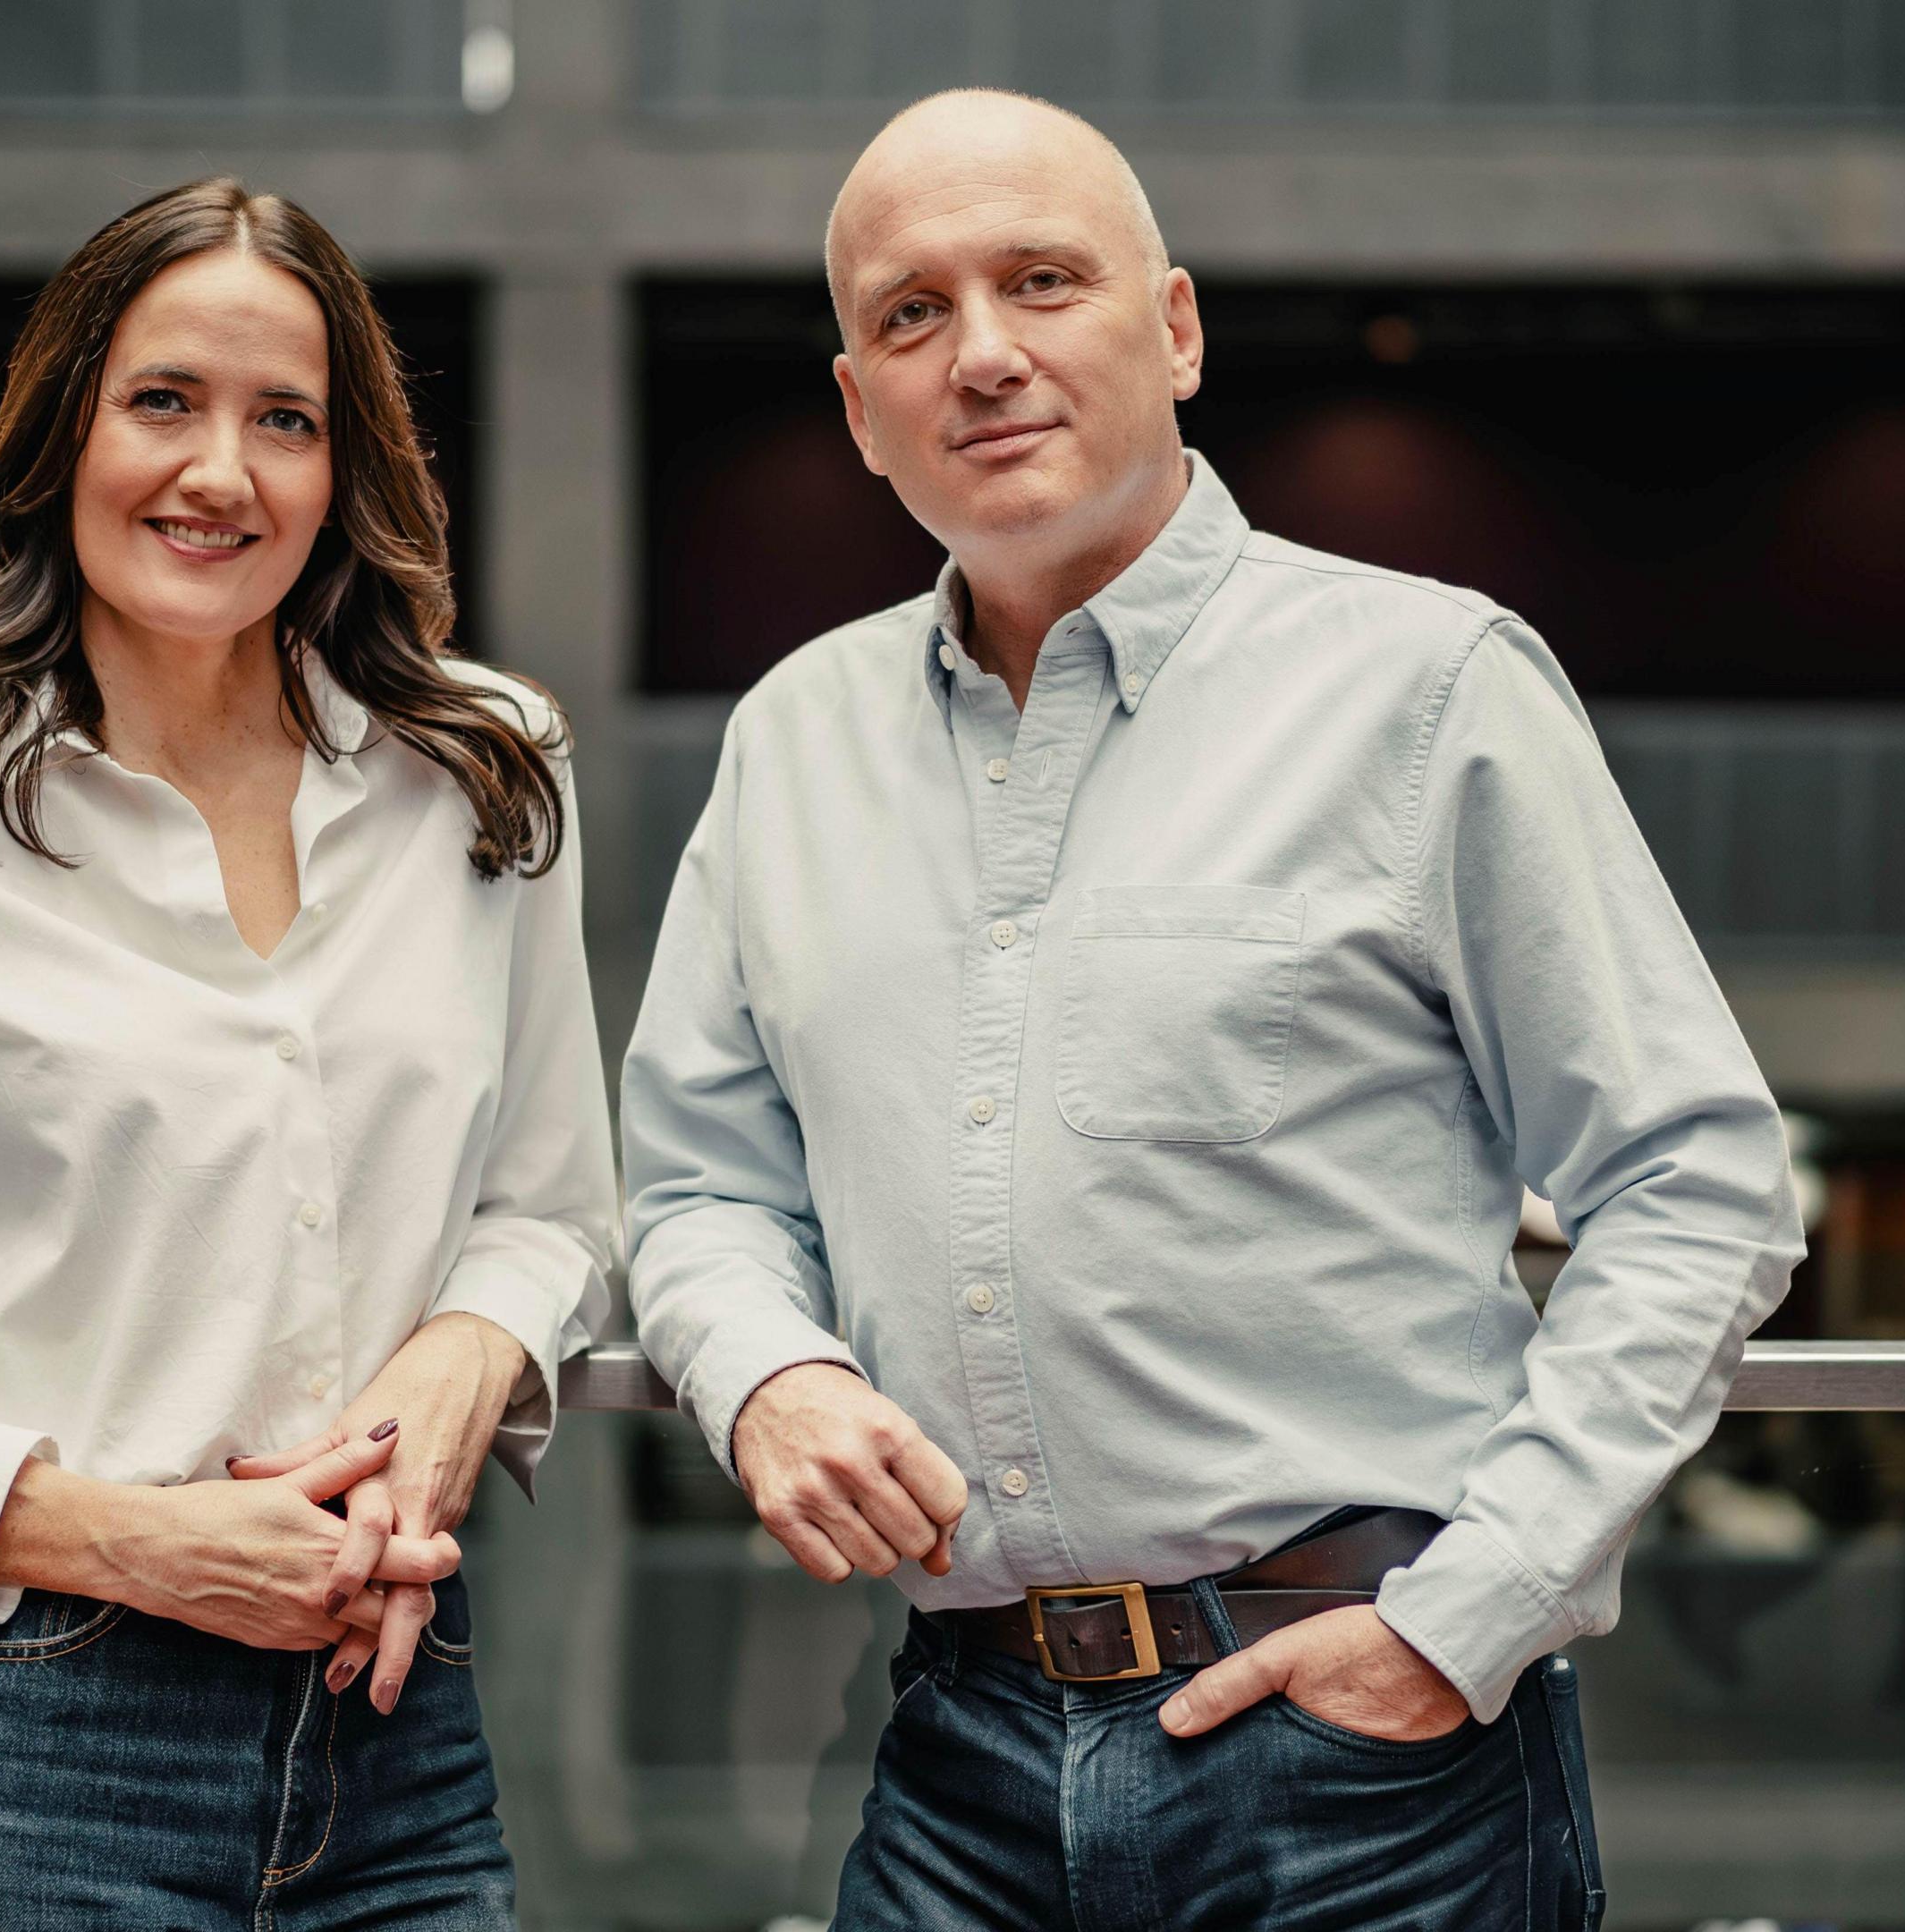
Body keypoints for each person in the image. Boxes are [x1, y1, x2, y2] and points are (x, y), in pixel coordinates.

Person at [621, 90, 1803, 1930]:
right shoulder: (791, 743)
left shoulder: (1428, 687)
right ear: (860, 408)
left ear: (1173, 329)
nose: (984, 355)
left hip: (1367, 1762)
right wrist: (765, 1366)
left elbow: (1697, 1180)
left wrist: (1463, 1623)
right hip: (954, 1752)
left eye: (1040, 282)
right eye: (912, 316)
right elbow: (696, 1186)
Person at [0, 178, 614, 1929]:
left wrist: (462, 1358)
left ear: (341, 474)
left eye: (283, 420)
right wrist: (129, 1538)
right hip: (5, 1757)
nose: (221, 472)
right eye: (164, 401)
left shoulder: (488, 777)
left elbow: (554, 1207)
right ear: (61, 437)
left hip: (398, 1739)